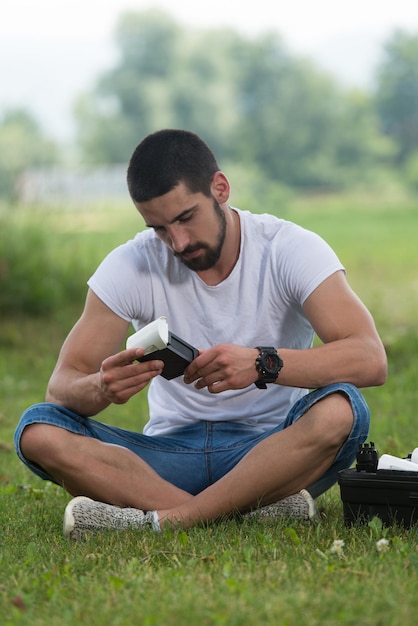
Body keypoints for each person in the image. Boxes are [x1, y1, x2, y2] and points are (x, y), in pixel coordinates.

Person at [14, 129, 387, 539]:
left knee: (344, 409)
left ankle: (166, 519)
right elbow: (61, 388)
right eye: (159, 228)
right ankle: (245, 510)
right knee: (38, 428)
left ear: (220, 188)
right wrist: (101, 387)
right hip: (166, 456)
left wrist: (262, 363)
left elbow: (369, 357)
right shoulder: (130, 264)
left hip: (271, 451)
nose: (178, 242)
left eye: (185, 217)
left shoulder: (289, 248)